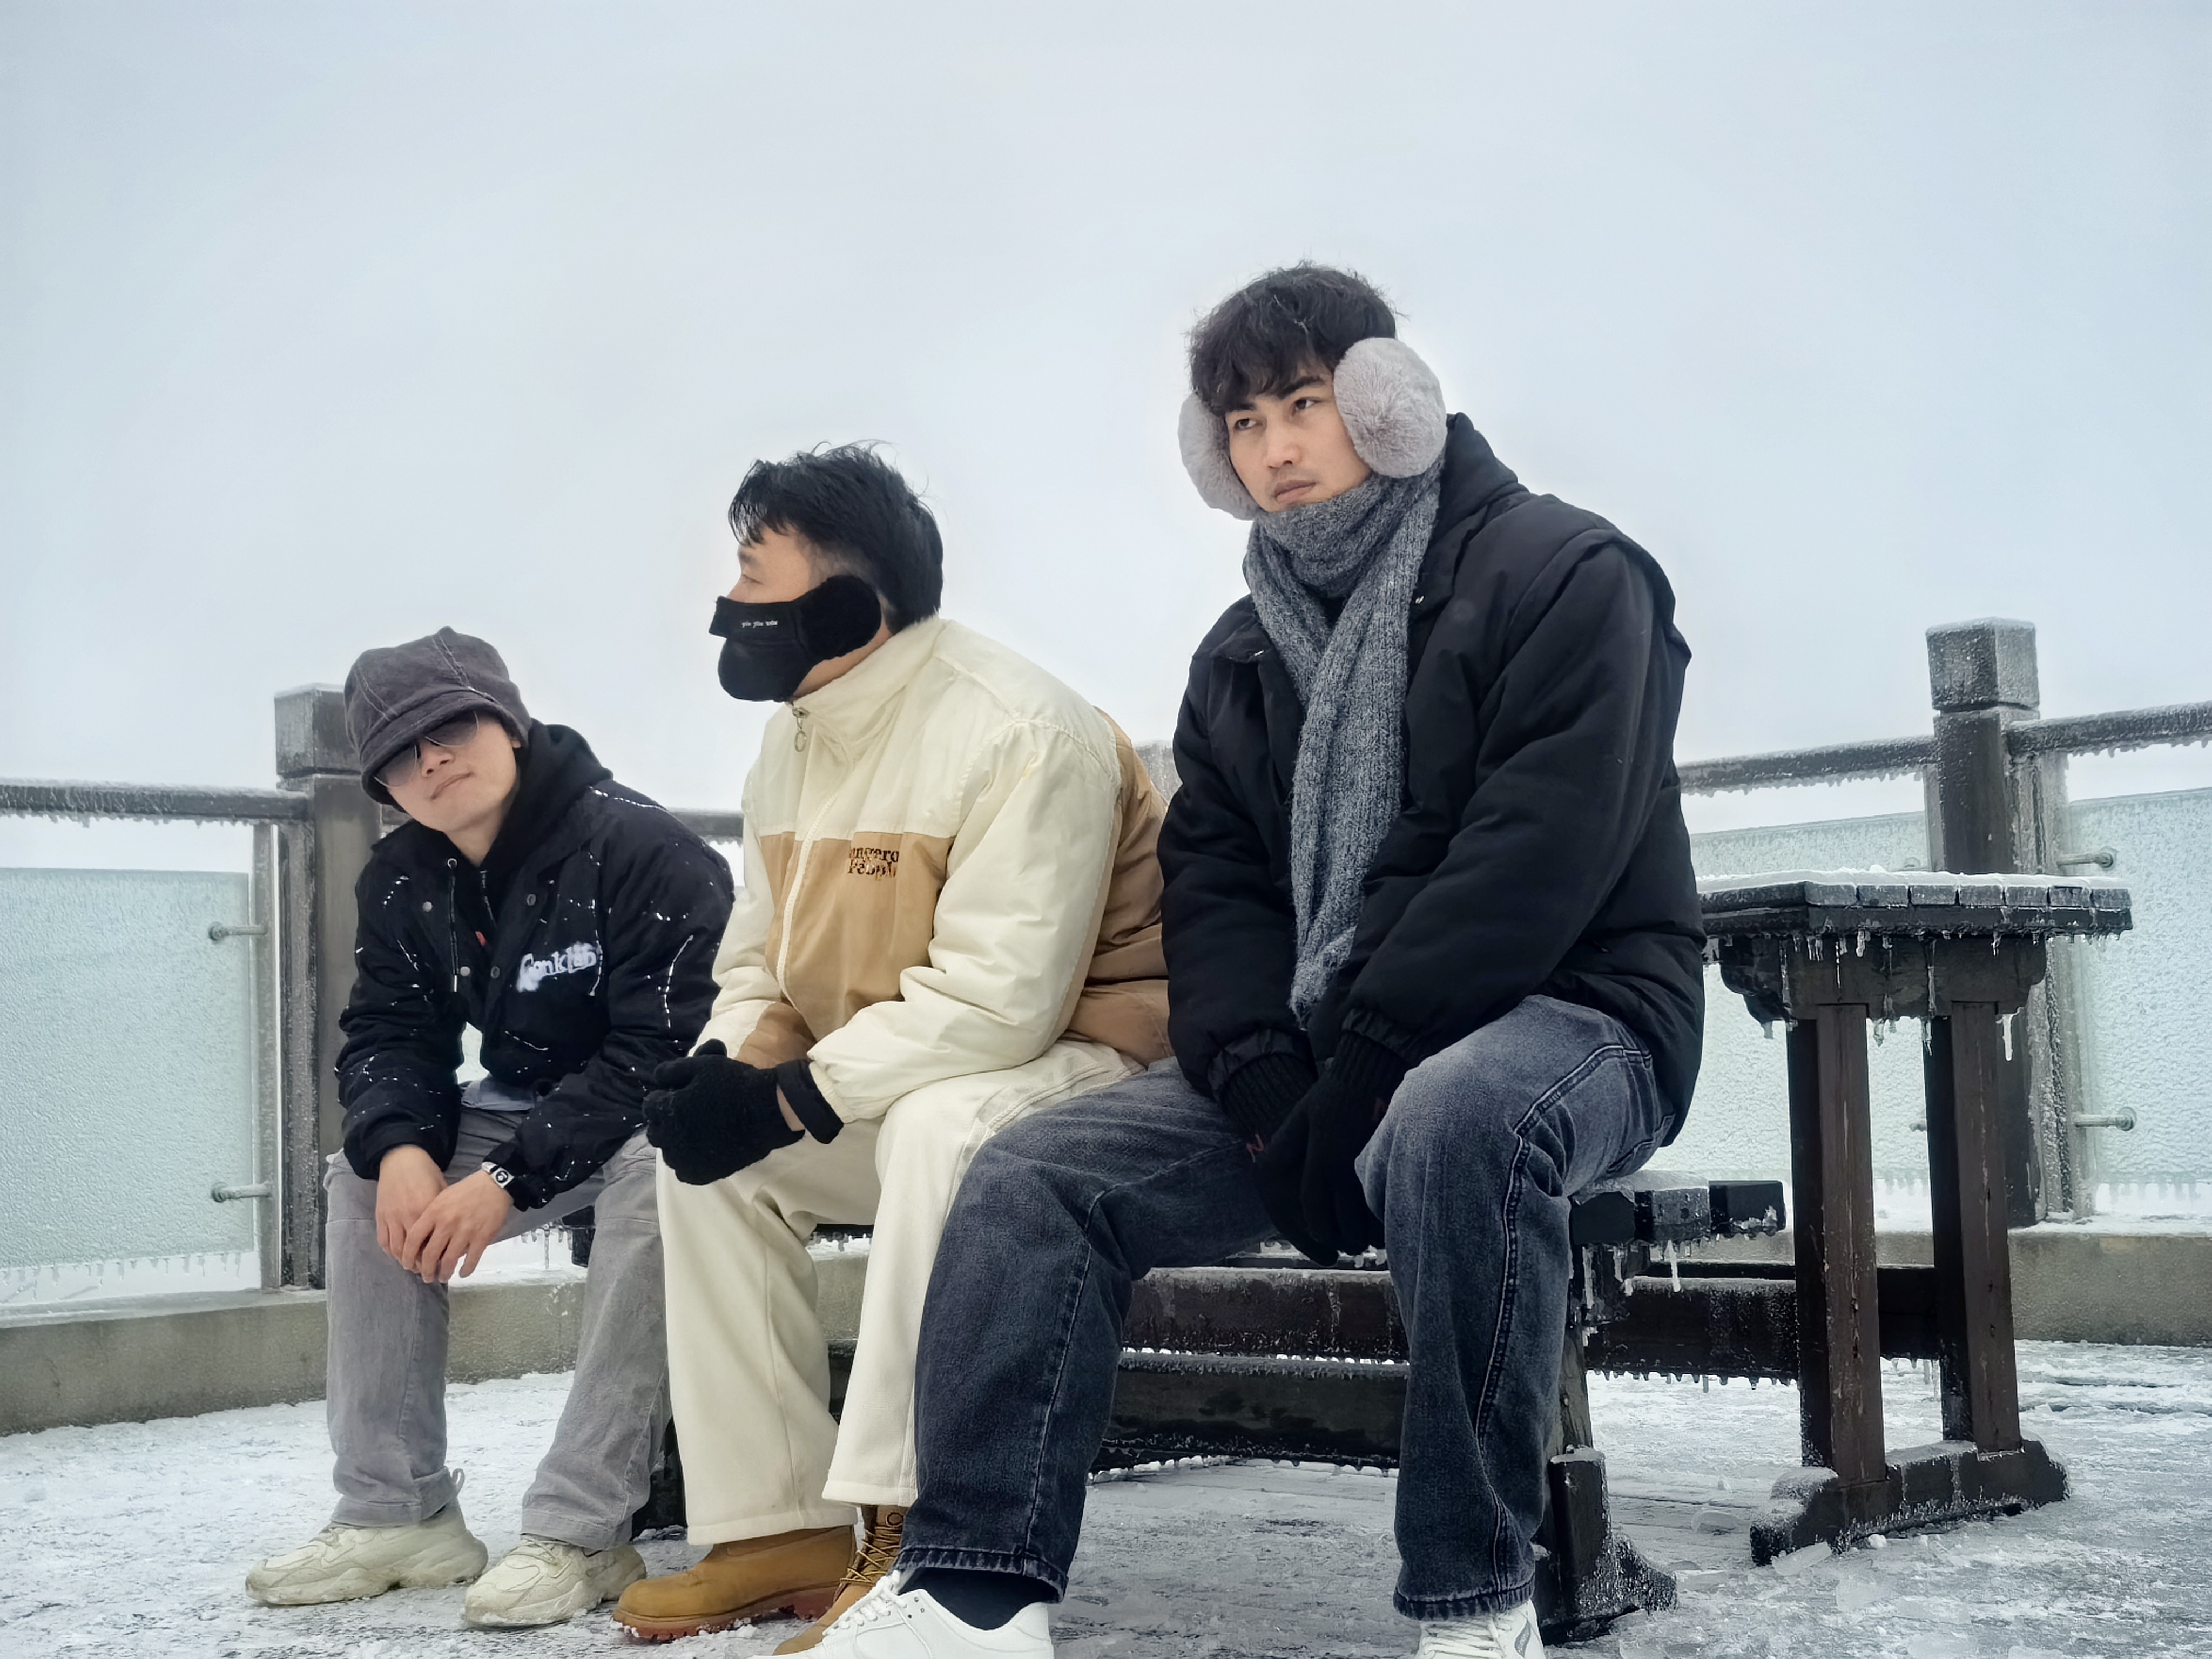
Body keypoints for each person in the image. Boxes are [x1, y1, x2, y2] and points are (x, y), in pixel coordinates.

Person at [825, 264, 1707, 1659]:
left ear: (1387, 400)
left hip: (1576, 1013)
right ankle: (979, 1586)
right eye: (1242, 423)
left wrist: (1368, 1063)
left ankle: (1476, 1600)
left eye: (1303, 404)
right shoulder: (1239, 655)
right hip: (1325, 1057)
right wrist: (1257, 1079)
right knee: (1032, 1172)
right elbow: (1216, 885)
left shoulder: (1568, 575)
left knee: (1454, 1120)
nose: (1276, 447)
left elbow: (1533, 853)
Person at [610, 444, 1172, 1647]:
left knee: (936, 1126)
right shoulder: (794, 741)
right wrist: (728, 1072)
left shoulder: (1022, 728)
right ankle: (775, 1525)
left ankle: (910, 1530)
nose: (729, 609)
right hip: (896, 1066)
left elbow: (999, 1004)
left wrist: (796, 1094)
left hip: (1085, 1064)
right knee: (705, 1161)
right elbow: (761, 960)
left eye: (754, 579)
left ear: (849, 606)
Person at [245, 629, 734, 1628]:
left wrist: (507, 1177)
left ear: (506, 722)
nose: (431, 760)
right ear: (383, 782)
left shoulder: (644, 850)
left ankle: (583, 1530)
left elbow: (664, 1052)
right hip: (528, 1110)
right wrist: (404, 1150)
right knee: (360, 1178)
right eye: (400, 752)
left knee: (662, 1175)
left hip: (665, 1109)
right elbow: (389, 1032)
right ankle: (397, 1511)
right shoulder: (401, 875)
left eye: (450, 729)